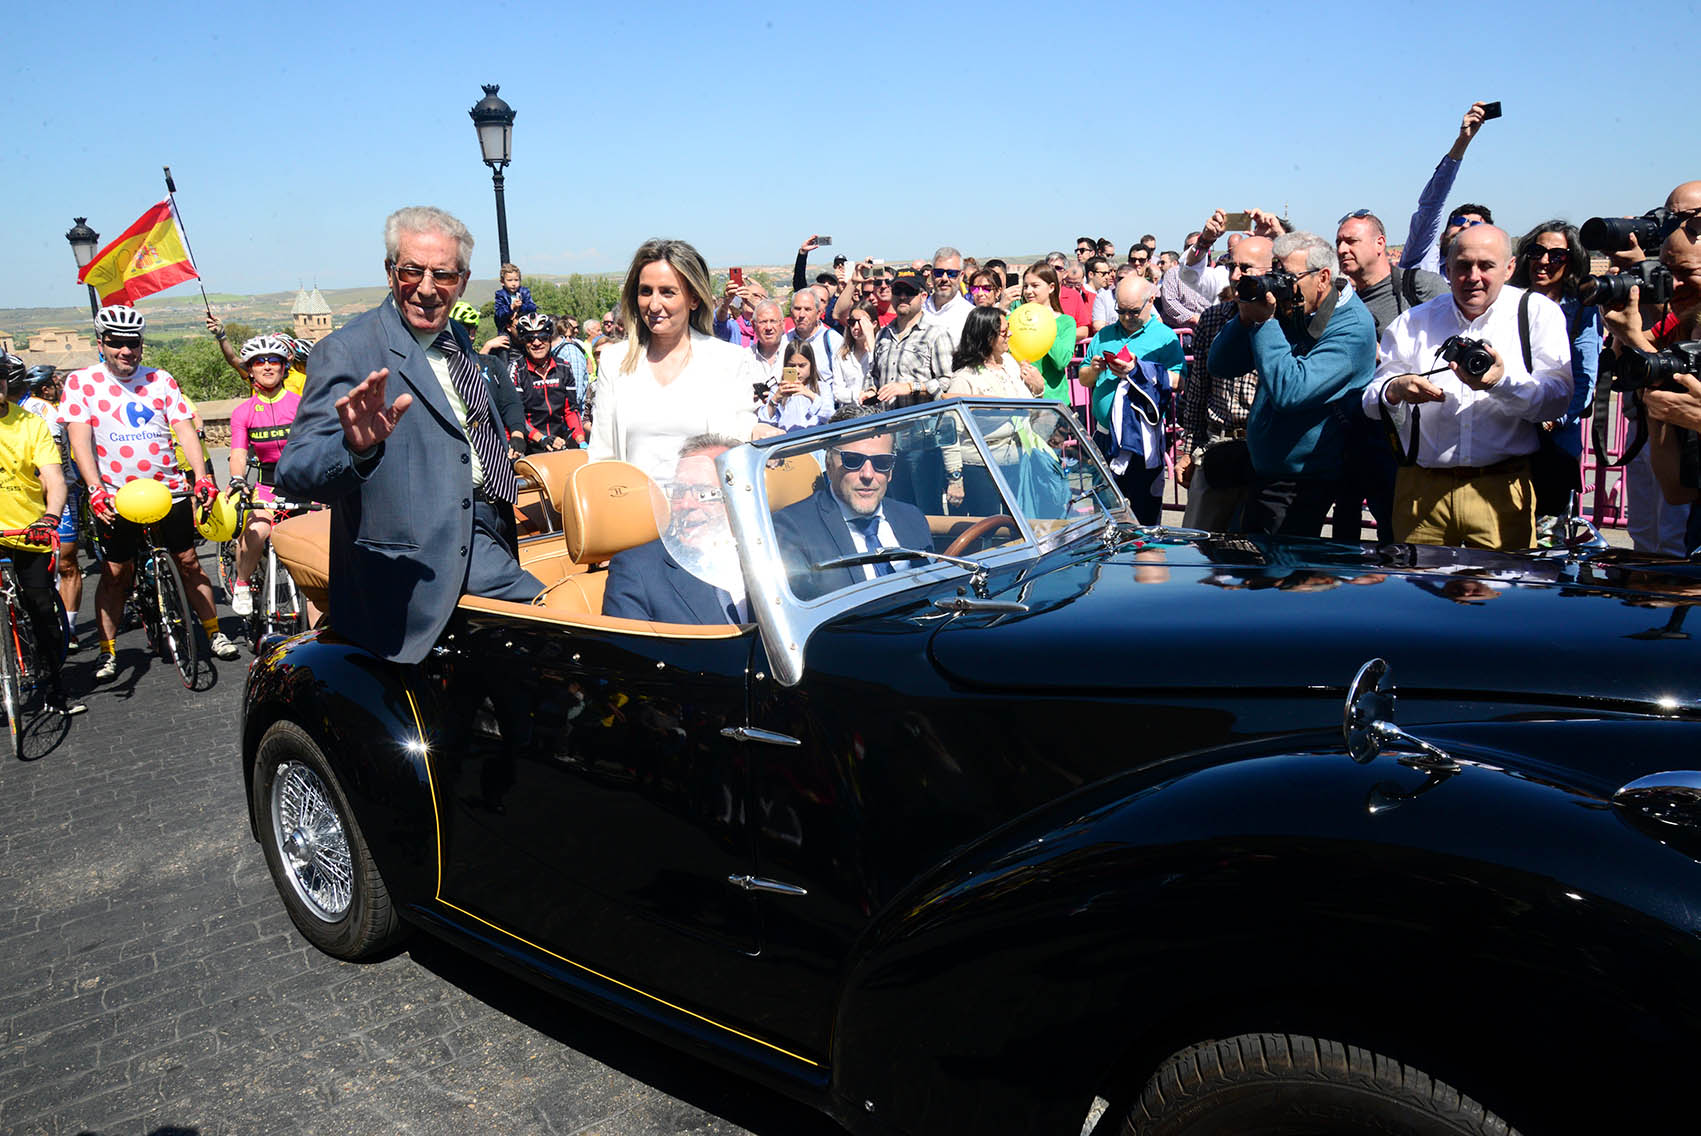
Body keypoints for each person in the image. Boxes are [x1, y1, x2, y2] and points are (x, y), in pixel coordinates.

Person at [277, 206, 543, 665]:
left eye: (441, 274)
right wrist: (355, 449)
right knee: (557, 626)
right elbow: (294, 470)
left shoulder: (456, 338)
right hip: (415, 566)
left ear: (461, 280)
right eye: (411, 271)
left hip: (494, 529)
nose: (425, 288)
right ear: (389, 272)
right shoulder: (347, 350)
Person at [1365, 225, 1574, 550]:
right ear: (1447, 269)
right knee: (1418, 594)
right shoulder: (1414, 322)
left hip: (1501, 490)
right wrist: (1395, 390)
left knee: (1497, 598)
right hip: (1422, 491)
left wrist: (1500, 383)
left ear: (1509, 268)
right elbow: (1370, 399)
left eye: (1486, 266)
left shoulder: (1537, 315)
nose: (1473, 276)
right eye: (1463, 266)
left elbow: (1557, 400)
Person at [61, 305, 237, 678]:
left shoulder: (160, 379)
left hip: (169, 490)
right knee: (115, 573)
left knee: (189, 562)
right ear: (101, 343)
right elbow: (80, 440)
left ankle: (214, 632)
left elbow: (186, 431)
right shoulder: (81, 383)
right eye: (116, 343)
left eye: (132, 343)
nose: (125, 351)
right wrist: (94, 489)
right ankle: (108, 652)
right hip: (115, 494)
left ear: (141, 344)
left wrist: (202, 477)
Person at [1206, 231, 1378, 537]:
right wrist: (1244, 319)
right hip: (1270, 469)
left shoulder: (1351, 326)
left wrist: (1264, 323)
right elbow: (1220, 365)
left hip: (1305, 477)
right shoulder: (1295, 307)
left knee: (1275, 575)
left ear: (1323, 278)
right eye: (1276, 274)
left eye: (1289, 277)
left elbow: (1291, 391)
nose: (1281, 285)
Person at [586, 238, 758, 483]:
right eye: (646, 291)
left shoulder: (728, 360)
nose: (654, 305)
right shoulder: (615, 362)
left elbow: (739, 441)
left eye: (667, 292)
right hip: (635, 514)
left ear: (694, 299)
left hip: (707, 513)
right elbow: (602, 456)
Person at [772, 414, 934, 601]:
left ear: (891, 471)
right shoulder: (792, 528)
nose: (868, 474)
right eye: (852, 460)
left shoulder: (912, 517)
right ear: (829, 465)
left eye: (881, 462)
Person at [0, 354, 83, 714]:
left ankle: (54, 685)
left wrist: (50, 515)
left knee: (41, 608)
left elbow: (52, 476)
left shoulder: (30, 424)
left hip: (27, 530)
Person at [1177, 238, 1274, 530]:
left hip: (1266, 455)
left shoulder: (1283, 321)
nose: (1234, 276)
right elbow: (1197, 390)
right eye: (1233, 266)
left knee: (1257, 560)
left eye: (1245, 268)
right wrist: (1188, 450)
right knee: (1200, 552)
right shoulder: (1213, 319)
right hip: (1216, 449)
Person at [602, 434, 749, 624]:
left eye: (702, 492)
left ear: (737, 497)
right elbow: (630, 652)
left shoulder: (776, 555)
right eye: (678, 491)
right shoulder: (637, 572)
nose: (686, 503)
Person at [1509, 221, 1601, 518]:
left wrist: (1552, 417)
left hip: (1554, 441)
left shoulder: (1582, 310)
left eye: (1557, 255)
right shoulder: (1506, 302)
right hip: (1506, 436)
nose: (1544, 261)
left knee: (1549, 538)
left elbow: (1585, 377)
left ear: (1572, 261)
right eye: (1537, 252)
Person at [1082, 276, 1186, 522]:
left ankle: (1147, 558)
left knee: (1145, 514)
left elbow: (1180, 381)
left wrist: (1141, 370)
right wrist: (1095, 368)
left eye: (1133, 312)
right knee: (1104, 514)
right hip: (1105, 436)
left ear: (1151, 301)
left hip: (1142, 439)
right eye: (1121, 311)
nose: (1126, 317)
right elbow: (1084, 378)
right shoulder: (1105, 334)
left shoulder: (1165, 337)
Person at [225, 334, 303, 618]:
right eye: (260, 362)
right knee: (257, 531)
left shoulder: (300, 403)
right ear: (251, 369)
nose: (267, 366)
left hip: (304, 485)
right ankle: (243, 583)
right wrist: (237, 478)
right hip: (269, 485)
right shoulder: (243, 412)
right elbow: (239, 451)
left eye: (274, 361)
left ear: (284, 367)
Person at [19, 366, 83, 648]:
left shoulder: (43, 411)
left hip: (57, 491)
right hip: (17, 499)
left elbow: (53, 463)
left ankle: (67, 629)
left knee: (65, 560)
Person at [942, 307, 1028, 515]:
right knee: (989, 530)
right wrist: (955, 479)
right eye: (1005, 331)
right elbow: (949, 432)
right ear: (987, 336)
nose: (1011, 335)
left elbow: (1026, 408)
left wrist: (1038, 388)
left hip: (1015, 462)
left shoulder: (1009, 364)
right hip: (980, 467)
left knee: (1017, 526)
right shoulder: (965, 379)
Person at [1398, 102, 1495, 277]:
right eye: (1458, 222)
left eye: (1475, 225)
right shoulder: (1421, 261)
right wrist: (1463, 141)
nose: (1465, 226)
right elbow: (1431, 206)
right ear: (1442, 236)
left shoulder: (1493, 290)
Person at [506, 311, 585, 452]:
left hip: (560, 442)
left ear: (549, 338)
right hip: (530, 444)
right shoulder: (516, 369)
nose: (537, 343)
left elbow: (571, 410)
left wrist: (581, 439)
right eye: (530, 338)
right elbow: (516, 414)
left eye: (542, 337)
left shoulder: (564, 367)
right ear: (524, 342)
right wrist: (540, 438)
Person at [1015, 264, 1078, 403]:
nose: (1028, 291)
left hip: (1052, 401)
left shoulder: (1066, 322)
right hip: (1020, 399)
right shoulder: (1016, 319)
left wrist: (1045, 324)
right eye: (1025, 286)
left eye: (1035, 286)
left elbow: (1061, 362)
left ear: (1051, 287)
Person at [758, 341, 833, 433]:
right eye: (792, 366)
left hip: (815, 442)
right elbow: (764, 423)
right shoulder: (777, 390)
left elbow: (830, 416)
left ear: (811, 365)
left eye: (802, 366)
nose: (797, 370)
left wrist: (810, 395)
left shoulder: (823, 388)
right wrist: (774, 400)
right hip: (788, 443)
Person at [783, 286, 844, 395]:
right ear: (790, 312)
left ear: (819, 313)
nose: (801, 315)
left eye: (807, 309)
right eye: (797, 309)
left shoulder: (833, 341)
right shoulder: (784, 341)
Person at [922, 247, 975, 349]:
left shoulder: (970, 316)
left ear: (961, 276)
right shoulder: (919, 312)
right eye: (939, 273)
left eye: (951, 273)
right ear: (932, 275)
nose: (944, 279)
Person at [836, 300, 880, 404]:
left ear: (873, 324)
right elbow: (837, 392)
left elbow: (881, 373)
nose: (856, 327)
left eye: (861, 322)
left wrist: (870, 339)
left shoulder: (881, 349)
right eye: (852, 322)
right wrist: (858, 395)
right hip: (850, 411)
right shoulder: (842, 354)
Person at [493, 263, 536, 335]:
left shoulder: (524, 292)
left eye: (516, 280)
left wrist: (521, 306)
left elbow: (533, 308)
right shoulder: (500, 295)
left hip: (525, 326)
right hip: (507, 330)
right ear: (502, 282)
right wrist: (511, 307)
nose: (513, 283)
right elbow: (498, 314)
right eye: (510, 280)